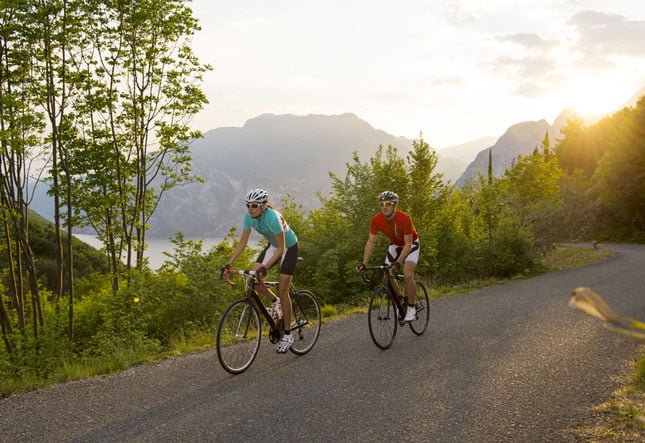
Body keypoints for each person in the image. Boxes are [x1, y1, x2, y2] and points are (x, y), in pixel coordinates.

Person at [221, 188, 299, 353]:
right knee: (252, 280)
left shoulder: (273, 217)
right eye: (248, 205)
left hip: (288, 248)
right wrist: (228, 265)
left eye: (254, 205)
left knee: (283, 289)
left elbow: (282, 248)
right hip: (273, 247)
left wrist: (265, 267)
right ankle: (275, 302)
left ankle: (287, 335)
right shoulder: (249, 218)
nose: (250, 208)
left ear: (263, 206)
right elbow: (242, 244)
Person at [358, 191, 420, 322]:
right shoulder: (376, 220)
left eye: (388, 204)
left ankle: (411, 307)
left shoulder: (405, 218)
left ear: (395, 205)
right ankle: (400, 300)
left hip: (411, 244)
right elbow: (371, 242)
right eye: (382, 204)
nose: (384, 207)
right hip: (395, 245)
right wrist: (364, 263)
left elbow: (408, 244)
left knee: (407, 274)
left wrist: (398, 262)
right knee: (388, 271)